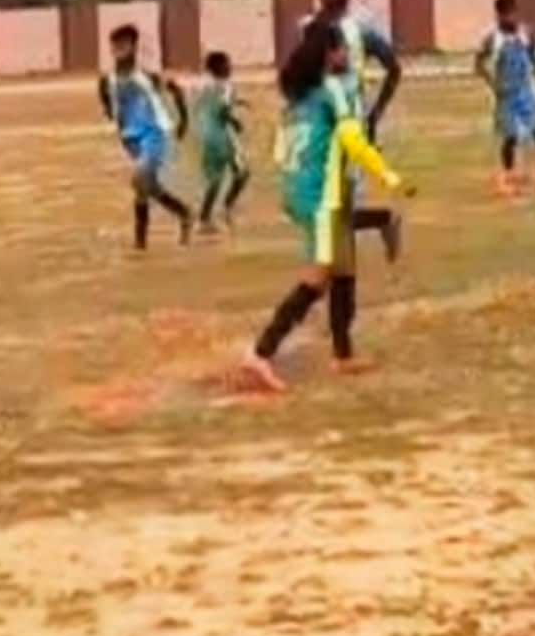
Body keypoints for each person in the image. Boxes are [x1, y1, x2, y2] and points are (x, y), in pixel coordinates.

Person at [242, 21, 415, 393]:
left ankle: (343, 353)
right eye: (341, 49)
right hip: (321, 195)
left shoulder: (295, 100)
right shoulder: (331, 91)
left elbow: (281, 151)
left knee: (343, 267)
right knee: (318, 277)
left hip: (302, 190)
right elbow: (354, 141)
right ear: (330, 54)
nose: (346, 55)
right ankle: (261, 353)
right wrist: (391, 177)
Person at [311, 0, 405, 263]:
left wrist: (376, 112)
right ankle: (383, 220)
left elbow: (393, 67)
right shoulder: (312, 27)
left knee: (339, 204)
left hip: (349, 123)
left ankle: (343, 264)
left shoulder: (361, 27)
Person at [97, 24, 193, 252]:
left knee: (139, 179)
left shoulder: (147, 76)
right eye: (116, 45)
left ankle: (140, 244)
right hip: (131, 140)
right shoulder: (106, 81)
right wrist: (118, 122)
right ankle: (183, 214)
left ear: (133, 47)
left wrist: (183, 123)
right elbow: (108, 107)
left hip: (155, 133)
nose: (120, 49)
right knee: (146, 187)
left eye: (125, 45)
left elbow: (176, 90)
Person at [475, 0, 535, 196]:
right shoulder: (493, 38)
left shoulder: (524, 33)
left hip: (526, 90)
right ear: (498, 15)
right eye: (504, 15)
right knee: (511, 137)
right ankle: (506, 178)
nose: (509, 19)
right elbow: (478, 64)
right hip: (506, 94)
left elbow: (532, 53)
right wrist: (493, 84)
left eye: (512, 13)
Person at [193, 51, 250, 234]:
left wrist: (238, 102)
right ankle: (227, 207)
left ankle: (204, 218)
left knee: (214, 179)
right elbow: (223, 108)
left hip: (204, 136)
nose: (230, 67)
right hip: (222, 134)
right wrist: (235, 121)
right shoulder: (227, 87)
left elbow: (201, 107)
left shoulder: (203, 86)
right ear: (221, 67)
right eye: (228, 64)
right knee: (242, 172)